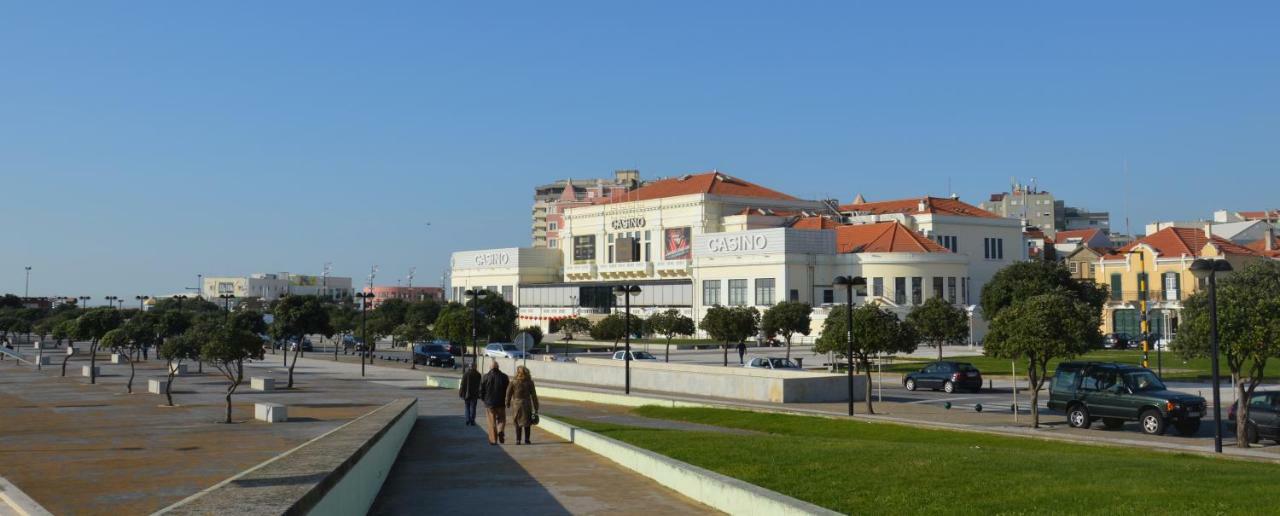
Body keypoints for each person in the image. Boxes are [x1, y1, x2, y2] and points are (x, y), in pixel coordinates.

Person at [506, 366, 540, 445]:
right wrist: (536, 407)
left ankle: (518, 440)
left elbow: (508, 394)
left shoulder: (513, 382)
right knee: (527, 422)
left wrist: (507, 403)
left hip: (516, 405)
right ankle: (527, 440)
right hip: (526, 404)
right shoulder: (529, 382)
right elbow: (534, 395)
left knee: (517, 422)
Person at [478, 361, 510, 445]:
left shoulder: (485, 377)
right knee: (502, 419)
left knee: (491, 422)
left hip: (489, 404)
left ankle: (493, 440)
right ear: (498, 367)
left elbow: (481, 391)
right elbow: (508, 391)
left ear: (490, 368)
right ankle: (500, 431)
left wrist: (484, 399)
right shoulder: (504, 377)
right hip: (501, 403)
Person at [459, 361, 482, 426]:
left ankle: (467, 419)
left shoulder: (466, 374)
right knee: (473, 408)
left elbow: (462, 384)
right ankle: (472, 420)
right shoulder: (478, 374)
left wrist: (461, 392)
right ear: (475, 367)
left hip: (466, 394)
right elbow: (480, 385)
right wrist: (480, 393)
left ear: (469, 367)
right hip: (474, 394)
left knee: (467, 407)